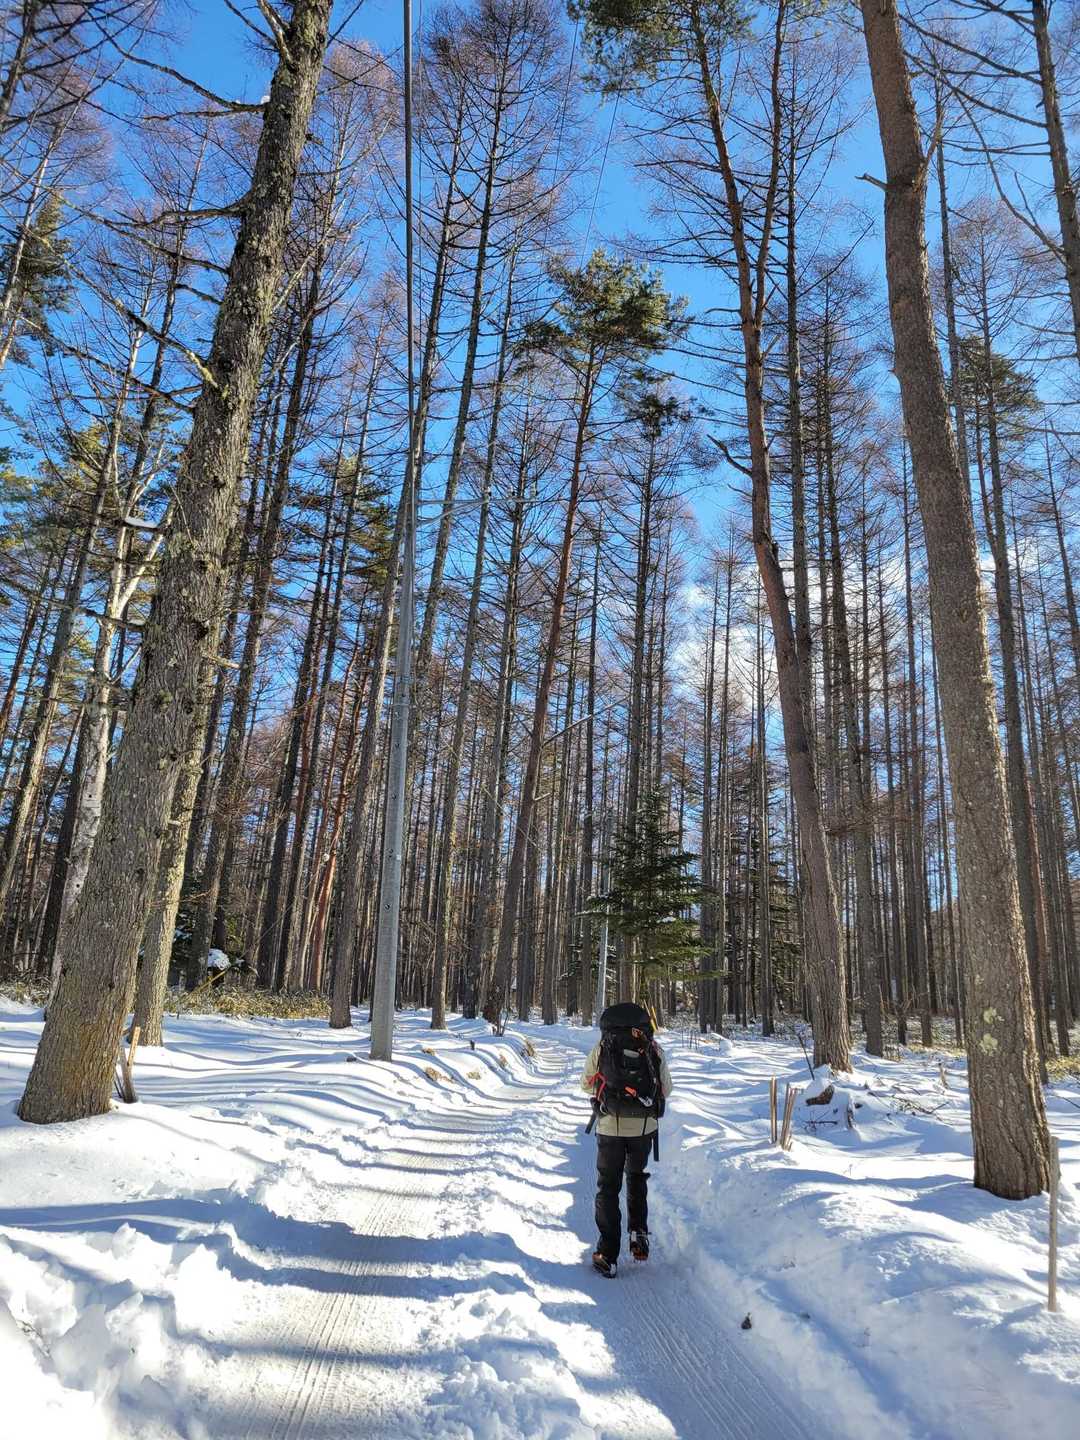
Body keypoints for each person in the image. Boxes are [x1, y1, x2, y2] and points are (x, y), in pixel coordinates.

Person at [581, 1001, 673, 1278]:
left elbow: (585, 1083)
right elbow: (666, 1089)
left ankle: (608, 1254)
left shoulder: (602, 1047)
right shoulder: (653, 1048)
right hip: (644, 1127)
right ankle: (639, 1236)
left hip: (610, 1126)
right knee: (636, 1178)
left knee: (608, 1188)